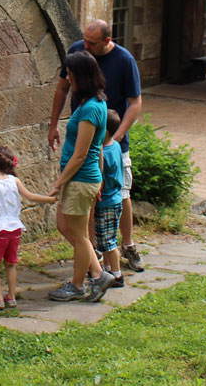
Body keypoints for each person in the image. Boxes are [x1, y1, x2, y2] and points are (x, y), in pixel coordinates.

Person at [49, 19, 144, 272]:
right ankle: (95, 253)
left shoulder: (124, 61)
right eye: (84, 40)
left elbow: (135, 103)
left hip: (111, 141)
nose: (85, 46)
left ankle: (127, 245)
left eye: (92, 42)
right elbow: (61, 89)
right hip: (88, 140)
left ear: (107, 41)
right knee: (92, 202)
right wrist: (53, 124)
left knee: (119, 193)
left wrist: (117, 136)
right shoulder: (78, 53)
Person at [47, 50, 116, 303]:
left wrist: (58, 183)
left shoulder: (90, 110)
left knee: (79, 236)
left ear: (80, 75)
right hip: (84, 180)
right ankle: (98, 274)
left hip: (80, 179)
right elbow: (96, 150)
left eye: (69, 73)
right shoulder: (92, 103)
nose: (67, 77)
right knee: (66, 227)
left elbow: (81, 155)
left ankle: (78, 285)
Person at [0, 146, 56, 311]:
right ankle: (11, 297)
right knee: (11, 264)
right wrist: (51, 199)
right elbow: (30, 196)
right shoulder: (15, 180)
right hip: (15, 228)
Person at [95, 109, 125, 287]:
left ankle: (117, 274)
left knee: (108, 241)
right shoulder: (115, 145)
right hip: (114, 200)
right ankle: (107, 269)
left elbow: (102, 179)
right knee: (104, 239)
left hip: (107, 202)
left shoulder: (104, 154)